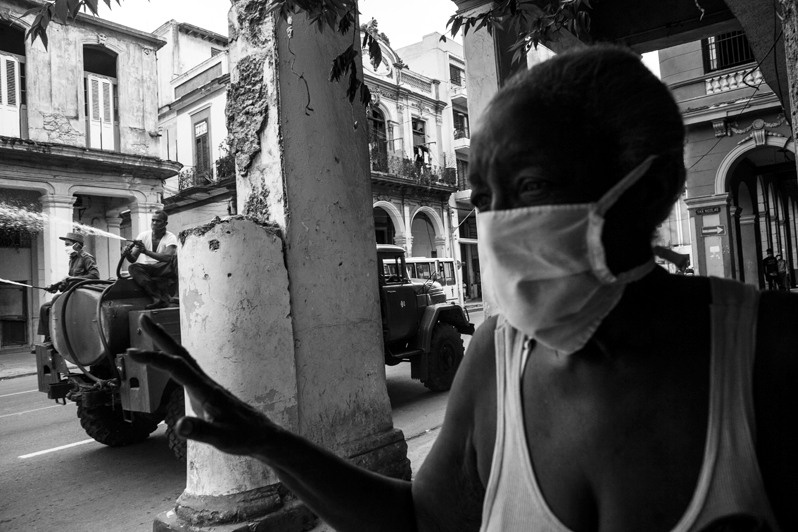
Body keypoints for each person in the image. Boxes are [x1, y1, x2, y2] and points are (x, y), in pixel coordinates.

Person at [130, 46, 798, 531]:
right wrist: (272, 442)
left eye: (530, 186)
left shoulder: (774, 353)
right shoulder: (495, 358)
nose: (503, 224)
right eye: (487, 200)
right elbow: (422, 523)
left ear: (651, 191)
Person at [37, 232, 99, 341]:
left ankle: (51, 340)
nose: (66, 247)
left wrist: (70, 279)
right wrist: (57, 286)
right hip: (72, 292)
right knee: (45, 308)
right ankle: (48, 338)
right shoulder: (72, 259)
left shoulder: (86, 258)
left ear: (76, 245)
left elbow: (95, 276)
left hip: (82, 293)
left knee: (54, 302)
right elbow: (70, 280)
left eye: (67, 244)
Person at [124, 210, 178, 310]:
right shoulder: (143, 235)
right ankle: (157, 298)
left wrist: (145, 251)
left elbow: (167, 257)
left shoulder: (171, 237)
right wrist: (127, 254)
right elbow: (133, 259)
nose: (154, 223)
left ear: (165, 223)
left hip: (164, 268)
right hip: (150, 268)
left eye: (158, 221)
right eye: (153, 220)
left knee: (176, 259)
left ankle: (176, 296)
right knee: (133, 267)